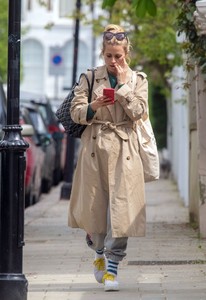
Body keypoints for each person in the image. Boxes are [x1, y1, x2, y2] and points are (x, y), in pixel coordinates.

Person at [68, 24, 148, 292]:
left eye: (119, 56)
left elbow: (139, 112)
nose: (114, 61)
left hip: (125, 150)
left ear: (126, 53)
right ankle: (98, 251)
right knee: (94, 209)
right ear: (102, 53)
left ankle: (113, 266)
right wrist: (93, 106)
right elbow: (75, 112)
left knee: (122, 210)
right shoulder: (90, 77)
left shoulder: (138, 79)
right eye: (109, 56)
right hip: (94, 148)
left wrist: (124, 87)